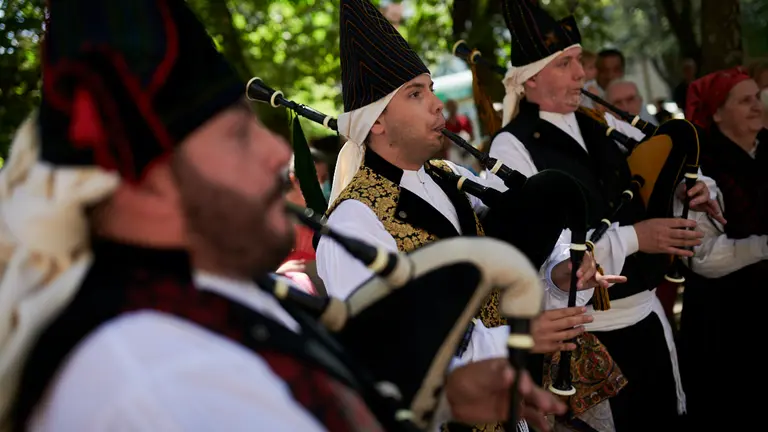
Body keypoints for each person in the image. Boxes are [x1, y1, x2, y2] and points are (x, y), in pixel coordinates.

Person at [0, 1, 567, 431]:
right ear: (148, 182)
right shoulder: (148, 373)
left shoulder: (210, 297)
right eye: (237, 134)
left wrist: (444, 399)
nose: (278, 154)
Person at [315, 1, 618, 431]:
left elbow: (510, 259)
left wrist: (560, 276)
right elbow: (391, 346)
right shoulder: (353, 220)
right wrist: (515, 338)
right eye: (416, 94)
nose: (437, 105)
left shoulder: (449, 177)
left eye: (431, 89)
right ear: (375, 122)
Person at [489, 1, 723, 430]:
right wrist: (635, 238)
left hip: (648, 319)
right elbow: (537, 252)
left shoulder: (599, 121)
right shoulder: (511, 145)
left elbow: (666, 167)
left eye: (580, 61)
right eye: (565, 63)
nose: (581, 74)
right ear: (532, 78)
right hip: (589, 336)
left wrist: (694, 187)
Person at [678, 67, 768, 429]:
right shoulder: (701, 167)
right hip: (724, 317)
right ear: (717, 113)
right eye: (744, 100)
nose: (756, 106)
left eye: (757, 97)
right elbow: (703, 257)